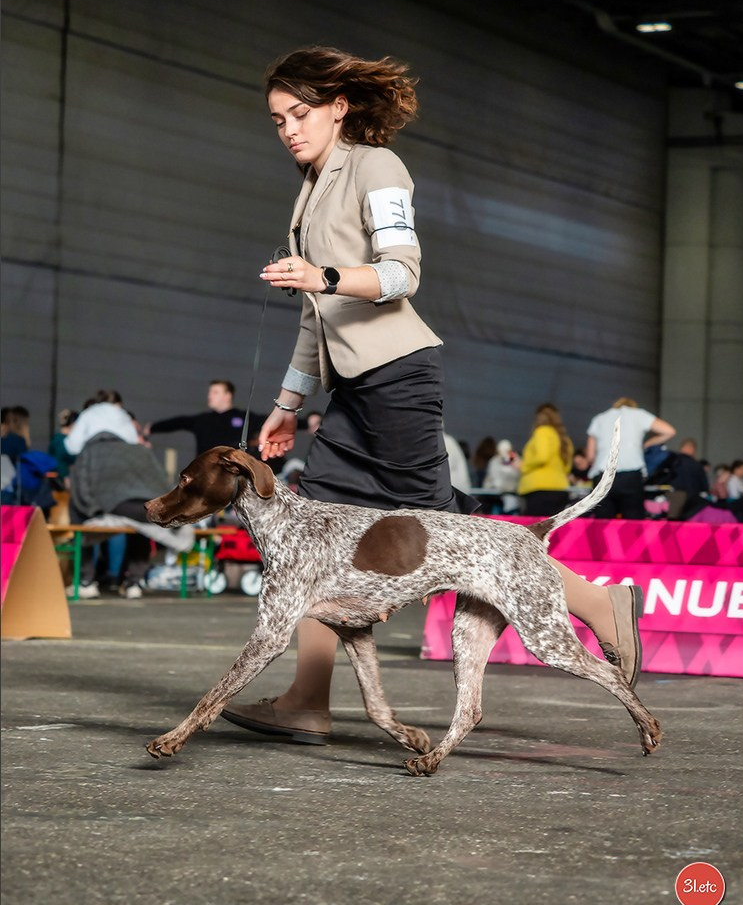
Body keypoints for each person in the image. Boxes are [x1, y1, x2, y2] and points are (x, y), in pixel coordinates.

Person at [220, 45, 644, 746]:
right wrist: (288, 407)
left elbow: (400, 274)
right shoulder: (310, 185)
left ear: (339, 106)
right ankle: (306, 699)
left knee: (454, 536)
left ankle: (602, 604)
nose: (289, 128)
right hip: (355, 388)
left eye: (300, 113)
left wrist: (323, 274)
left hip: (398, 377)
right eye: (277, 120)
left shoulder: (378, 166)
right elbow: (312, 315)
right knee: (322, 537)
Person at [67, 432, 195, 598]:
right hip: (149, 507)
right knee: (142, 528)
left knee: (81, 529)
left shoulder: (89, 452)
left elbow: (80, 488)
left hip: (117, 506)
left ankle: (86, 582)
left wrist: (94, 511)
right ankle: (133, 583)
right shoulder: (139, 450)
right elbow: (162, 480)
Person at [585, 397, 676, 520]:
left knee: (602, 524)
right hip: (631, 477)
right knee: (633, 524)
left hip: (603, 476)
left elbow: (590, 456)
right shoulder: (639, 415)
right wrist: (647, 444)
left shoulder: (599, 418)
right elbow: (669, 431)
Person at [144, 380, 273, 467]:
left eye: (215, 392)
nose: (210, 396)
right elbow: (178, 422)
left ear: (228, 395)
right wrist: (152, 428)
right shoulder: (202, 420)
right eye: (210, 392)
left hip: (232, 471)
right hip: (204, 471)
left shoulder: (244, 418)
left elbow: (270, 421)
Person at [518, 403, 574, 517]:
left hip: (539, 490)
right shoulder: (564, 439)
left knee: (534, 531)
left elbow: (542, 457)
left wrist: (523, 465)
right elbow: (567, 467)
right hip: (560, 489)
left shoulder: (542, 431)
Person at [482, 439, 521, 513]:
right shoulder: (494, 461)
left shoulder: (516, 460)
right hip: (496, 498)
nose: (504, 454)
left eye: (506, 451)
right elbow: (492, 478)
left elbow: (518, 475)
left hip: (513, 497)